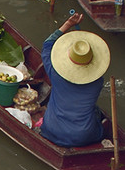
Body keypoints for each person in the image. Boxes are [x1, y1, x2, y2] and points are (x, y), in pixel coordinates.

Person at [40, 12, 110, 147]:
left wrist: (68, 24)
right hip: (83, 135)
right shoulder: (97, 82)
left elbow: (48, 44)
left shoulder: (54, 72)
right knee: (96, 113)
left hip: (51, 130)